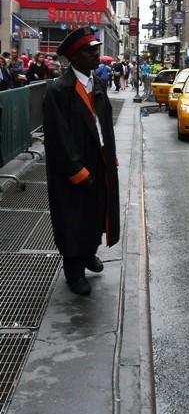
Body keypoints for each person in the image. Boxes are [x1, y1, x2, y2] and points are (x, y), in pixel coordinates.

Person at [42, 26, 120, 296]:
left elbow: (104, 125)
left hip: (98, 159)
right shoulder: (59, 90)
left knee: (96, 211)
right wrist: (76, 169)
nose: (96, 54)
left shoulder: (97, 84)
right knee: (73, 217)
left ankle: (89, 254)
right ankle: (73, 271)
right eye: (90, 50)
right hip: (73, 166)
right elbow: (57, 137)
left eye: (96, 49)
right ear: (74, 57)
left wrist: (110, 154)